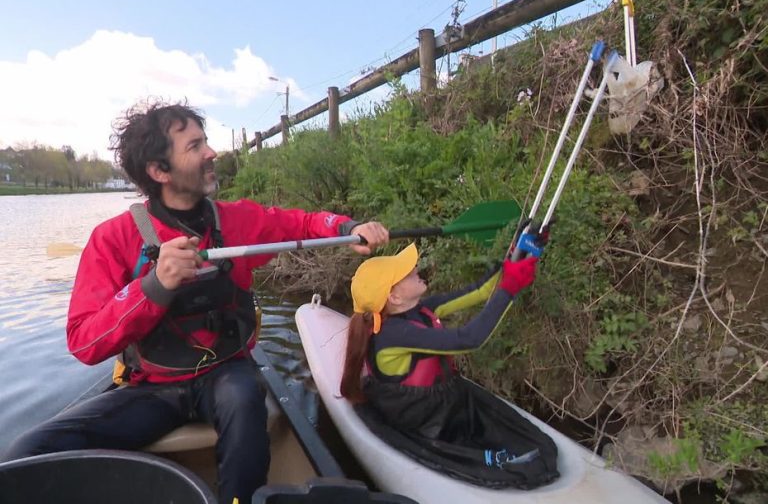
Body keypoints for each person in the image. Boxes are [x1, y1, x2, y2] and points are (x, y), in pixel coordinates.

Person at [1, 99, 389, 504]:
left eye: (206, 142)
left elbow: (303, 224)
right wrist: (153, 286)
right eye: (195, 146)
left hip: (227, 374)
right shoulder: (113, 239)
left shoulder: (237, 220)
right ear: (159, 171)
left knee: (242, 398)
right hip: (152, 390)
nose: (211, 153)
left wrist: (347, 226)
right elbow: (84, 341)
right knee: (27, 452)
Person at [340, 243, 559, 489]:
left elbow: (480, 290)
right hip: (420, 416)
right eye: (408, 273)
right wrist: (509, 289)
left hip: (443, 401)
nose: (415, 269)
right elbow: (468, 339)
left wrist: (514, 257)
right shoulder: (393, 335)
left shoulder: (422, 310)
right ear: (394, 297)